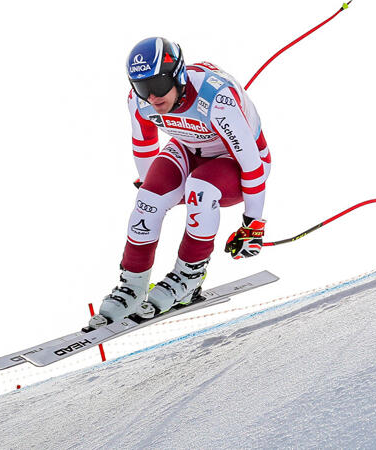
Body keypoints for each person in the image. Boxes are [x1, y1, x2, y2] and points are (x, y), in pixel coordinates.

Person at [90, 37, 272, 327]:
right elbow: (144, 145)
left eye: (158, 86)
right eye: (141, 87)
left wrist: (253, 224)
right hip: (190, 149)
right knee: (148, 198)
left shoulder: (216, 98)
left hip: (236, 162)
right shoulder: (139, 102)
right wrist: (153, 197)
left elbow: (251, 165)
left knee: (200, 188)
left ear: (178, 75)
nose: (151, 97)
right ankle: (132, 286)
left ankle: (189, 275)